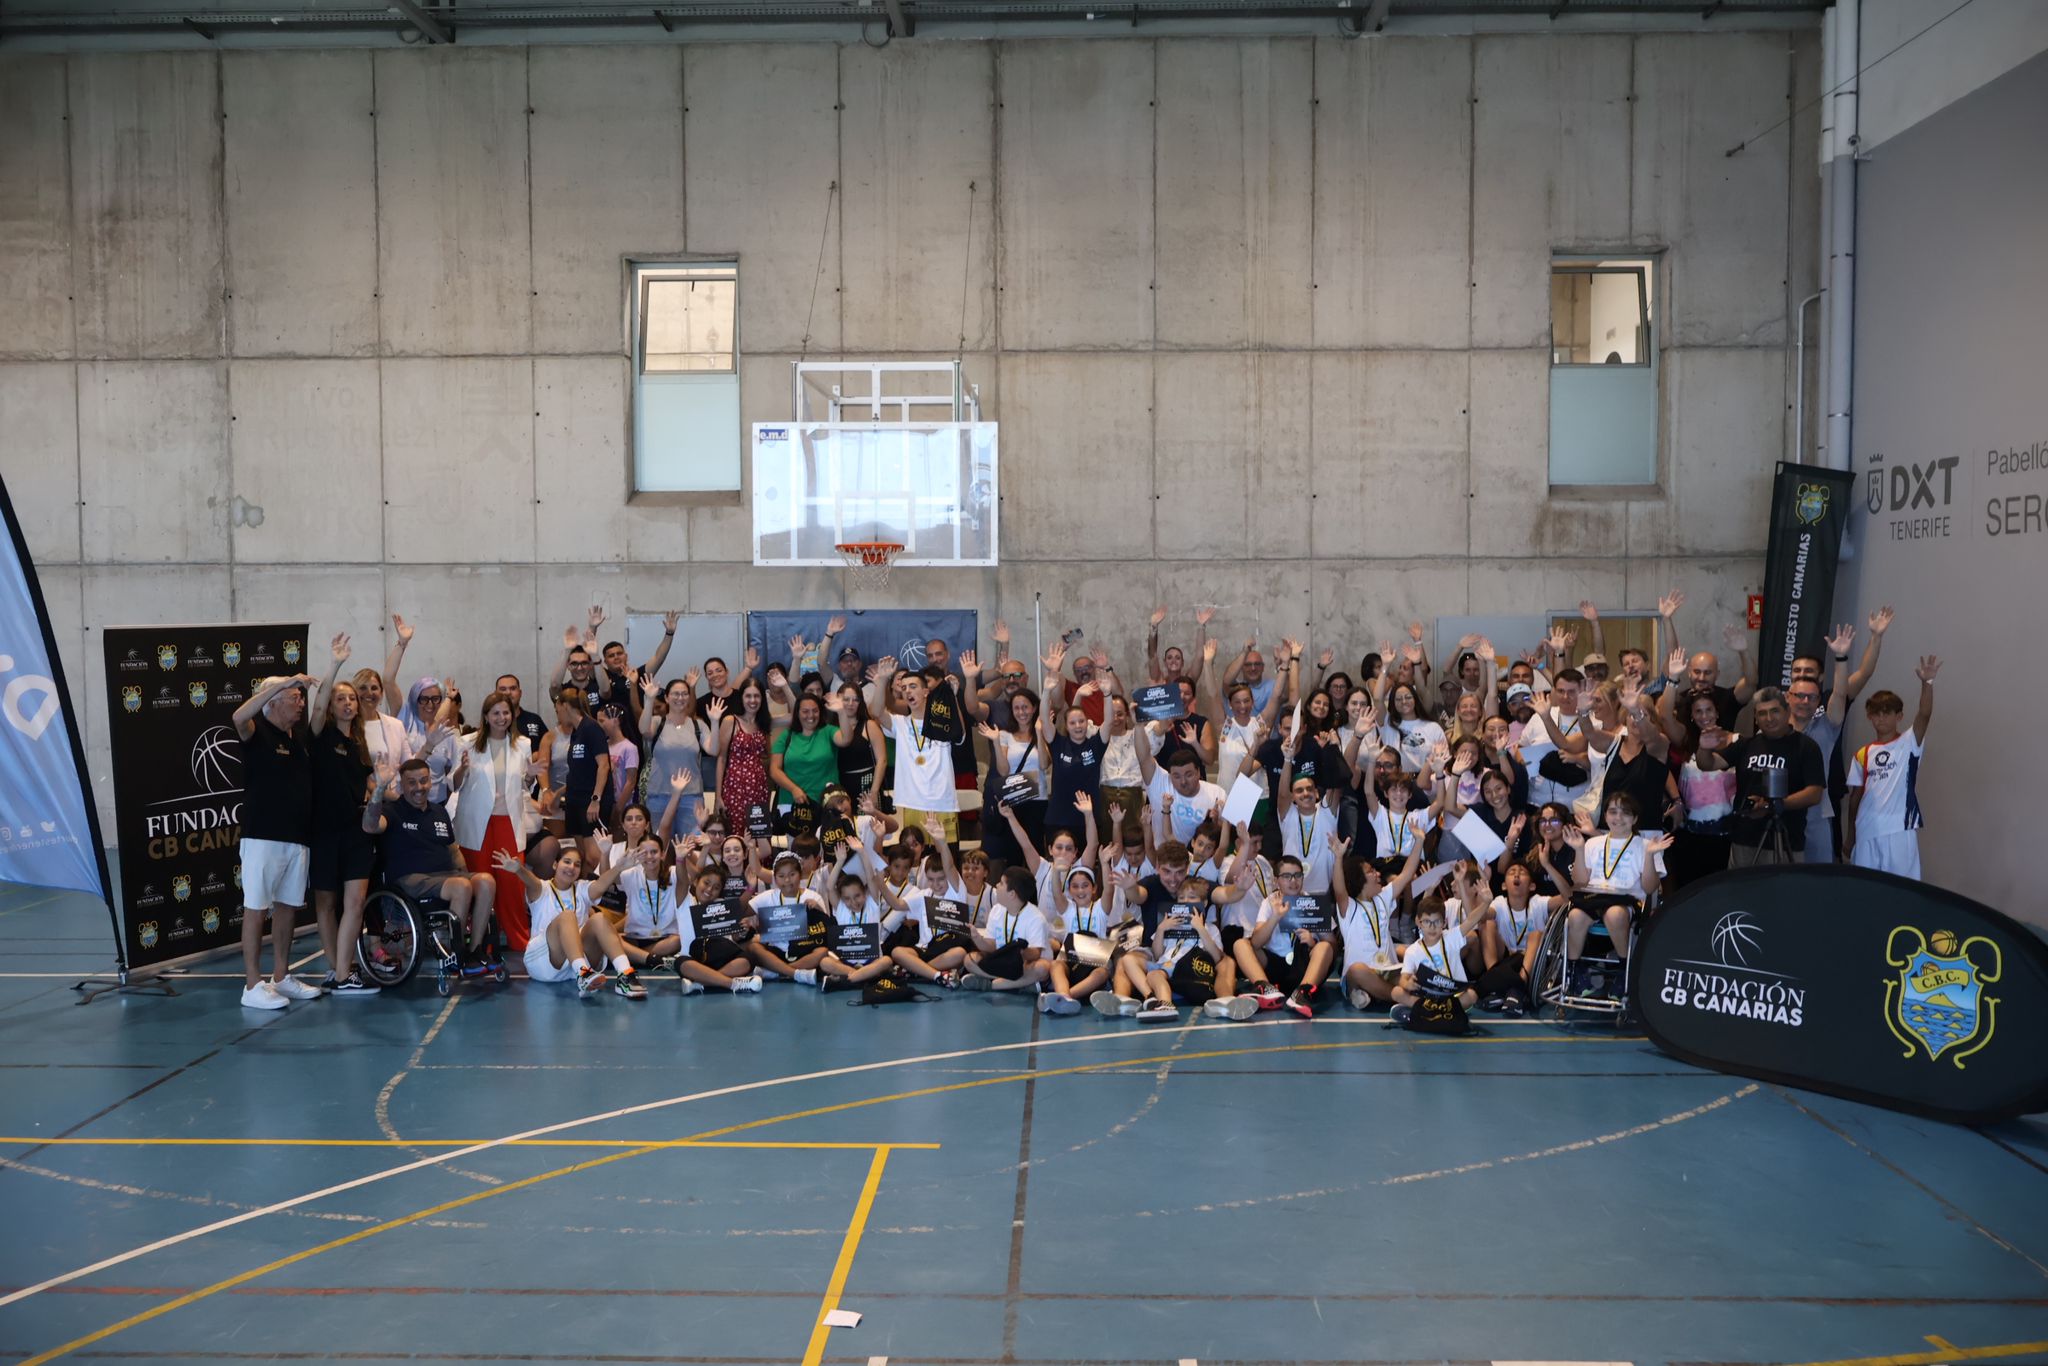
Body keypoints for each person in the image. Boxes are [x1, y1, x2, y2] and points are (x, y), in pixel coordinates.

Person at [232, 672, 322, 1009]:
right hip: (262, 838)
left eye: (300, 697)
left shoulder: (296, 737)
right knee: (257, 909)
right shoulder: (257, 732)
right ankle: (252, 985)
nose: (300, 703)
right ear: (274, 701)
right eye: (293, 697)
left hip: (297, 838)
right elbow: (238, 716)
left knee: (287, 907)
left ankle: (281, 977)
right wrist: (282, 683)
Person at [364, 758, 499, 971]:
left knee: (486, 881)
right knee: (461, 886)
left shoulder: (439, 811)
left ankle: (474, 952)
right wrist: (379, 788)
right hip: (410, 880)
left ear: (430, 782)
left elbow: (453, 850)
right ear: (402, 784)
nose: (419, 787)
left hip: (446, 876)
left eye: (424, 781)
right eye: (412, 782)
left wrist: (467, 875)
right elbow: (370, 826)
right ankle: (456, 956)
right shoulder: (393, 810)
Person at [305, 636, 377, 994]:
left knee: (355, 902)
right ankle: (337, 970)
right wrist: (333, 666)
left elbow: (369, 786)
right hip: (323, 831)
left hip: (356, 834)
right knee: (327, 902)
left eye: (352, 698)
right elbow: (315, 711)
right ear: (331, 706)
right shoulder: (320, 735)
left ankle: (343, 971)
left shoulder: (360, 744)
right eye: (341, 698)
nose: (348, 703)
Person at [491, 842, 644, 998]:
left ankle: (625, 975)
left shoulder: (582, 888)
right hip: (544, 961)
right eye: (567, 862)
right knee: (567, 915)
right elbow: (530, 880)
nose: (571, 867)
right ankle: (583, 973)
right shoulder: (542, 889)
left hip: (574, 965)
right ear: (555, 865)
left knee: (599, 918)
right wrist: (518, 869)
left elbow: (599, 885)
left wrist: (618, 867)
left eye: (577, 865)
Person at [1693, 687, 1824, 866]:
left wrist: (1775, 805)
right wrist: (1704, 748)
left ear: (1787, 713)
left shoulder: (1806, 747)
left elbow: (1815, 793)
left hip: (1786, 839)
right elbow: (1707, 764)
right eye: (1762, 713)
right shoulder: (1746, 744)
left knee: (1783, 892)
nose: (1769, 719)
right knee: (1741, 892)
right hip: (1744, 838)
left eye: (1775, 711)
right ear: (1755, 718)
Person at [1561, 794, 1672, 999]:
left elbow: (1649, 888)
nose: (1618, 817)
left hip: (1626, 902)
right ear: (1605, 816)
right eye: (1613, 811)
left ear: (1635, 819)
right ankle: (1575, 973)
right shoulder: (1593, 843)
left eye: (1625, 812)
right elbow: (1580, 881)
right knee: (1575, 916)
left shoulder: (1645, 845)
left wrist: (1649, 855)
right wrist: (1578, 849)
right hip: (1594, 897)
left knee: (1614, 915)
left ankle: (1624, 971)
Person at [450, 689, 537, 952]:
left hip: (508, 823)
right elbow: (454, 785)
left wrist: (531, 776)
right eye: (496, 713)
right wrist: (462, 770)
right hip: (476, 825)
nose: (501, 717)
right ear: (486, 716)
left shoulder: (523, 745)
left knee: (511, 884)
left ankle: (518, 939)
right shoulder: (467, 742)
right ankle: (480, 942)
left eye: (506, 712)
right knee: (481, 883)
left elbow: (526, 786)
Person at [1844, 656, 1939, 879]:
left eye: (1887, 713)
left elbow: (1925, 714)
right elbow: (1855, 797)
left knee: (1902, 891)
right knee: (1866, 890)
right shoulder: (1862, 754)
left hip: (1899, 830)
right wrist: (1851, 835)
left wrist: (1927, 683)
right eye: (1876, 714)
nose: (1881, 718)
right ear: (1869, 717)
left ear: (1899, 716)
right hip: (1866, 830)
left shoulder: (1909, 743)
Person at [1232, 853, 1337, 1019]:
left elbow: (1333, 945)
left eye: (1297, 875)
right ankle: (1264, 988)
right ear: (1276, 881)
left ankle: (1302, 993)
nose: (1293, 881)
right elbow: (1256, 943)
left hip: (1304, 967)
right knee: (1240, 944)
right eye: (1287, 876)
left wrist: (1313, 942)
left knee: (1324, 947)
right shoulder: (1269, 902)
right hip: (1276, 966)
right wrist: (1275, 917)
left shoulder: (1313, 903)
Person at [1334, 836, 1425, 1011]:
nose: (1378, 874)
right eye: (1371, 871)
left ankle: (1384, 995)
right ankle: (1399, 997)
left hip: (1389, 970)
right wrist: (1338, 858)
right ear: (1358, 879)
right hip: (1361, 975)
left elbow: (1406, 874)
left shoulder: (1383, 897)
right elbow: (1339, 889)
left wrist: (1419, 841)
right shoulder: (1349, 907)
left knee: (1412, 977)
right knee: (1357, 970)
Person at [878, 658, 960, 844]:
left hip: (942, 801)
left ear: (926, 692)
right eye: (904, 688)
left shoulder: (944, 723)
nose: (907, 691)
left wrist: (952, 699)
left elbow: (959, 733)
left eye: (913, 686)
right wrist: (882, 680)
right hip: (912, 802)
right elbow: (876, 711)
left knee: (946, 862)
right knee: (913, 859)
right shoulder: (900, 723)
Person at [640, 672, 720, 839]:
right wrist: (649, 700)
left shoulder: (698, 725)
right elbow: (644, 730)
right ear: (667, 698)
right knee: (659, 847)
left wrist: (714, 721)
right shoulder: (657, 722)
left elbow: (713, 750)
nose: (680, 697)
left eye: (684, 694)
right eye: (675, 694)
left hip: (691, 797)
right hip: (659, 795)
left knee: (690, 847)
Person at [540, 687, 610, 870]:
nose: (558, 716)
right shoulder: (576, 733)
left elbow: (604, 765)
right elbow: (577, 773)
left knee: (594, 858)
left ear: (565, 707)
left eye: (557, 711)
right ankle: (584, 895)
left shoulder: (591, 728)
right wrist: (558, 793)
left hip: (590, 801)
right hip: (574, 800)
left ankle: (603, 894)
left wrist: (596, 799)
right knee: (582, 858)